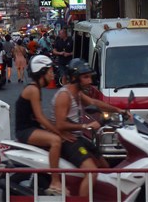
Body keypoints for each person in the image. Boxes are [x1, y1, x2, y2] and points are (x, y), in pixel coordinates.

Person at [51, 58, 123, 197]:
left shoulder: (77, 93)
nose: (90, 81)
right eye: (85, 77)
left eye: (90, 77)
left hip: (78, 138)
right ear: (74, 78)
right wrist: (86, 125)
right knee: (92, 172)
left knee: (105, 166)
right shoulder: (64, 96)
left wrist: (119, 110)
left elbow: (94, 103)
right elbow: (60, 125)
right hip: (68, 141)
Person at [15, 55, 66, 195]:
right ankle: (55, 182)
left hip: (32, 128)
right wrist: (57, 131)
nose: (52, 75)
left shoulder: (36, 88)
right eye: (50, 71)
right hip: (25, 130)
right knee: (56, 141)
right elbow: (40, 117)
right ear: (41, 72)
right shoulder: (33, 90)